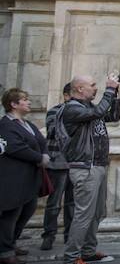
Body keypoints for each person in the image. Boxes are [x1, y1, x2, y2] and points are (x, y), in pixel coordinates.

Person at [60, 74, 120, 264]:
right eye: (92, 85)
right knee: (83, 214)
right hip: (85, 167)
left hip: (98, 165)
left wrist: (116, 93)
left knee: (97, 213)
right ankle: (71, 259)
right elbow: (100, 111)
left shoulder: (89, 109)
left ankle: (88, 250)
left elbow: (112, 116)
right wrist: (109, 89)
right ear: (79, 89)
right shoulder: (72, 109)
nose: (96, 88)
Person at [0, 88, 48, 264]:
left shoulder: (26, 124)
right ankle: (5, 251)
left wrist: (44, 154)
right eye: (24, 99)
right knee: (11, 213)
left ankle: (11, 243)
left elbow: (41, 142)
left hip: (30, 176)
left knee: (28, 209)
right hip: (13, 176)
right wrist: (39, 158)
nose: (28, 102)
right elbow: (14, 147)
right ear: (13, 104)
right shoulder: (6, 125)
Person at [40, 82, 74, 250]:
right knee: (54, 203)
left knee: (72, 203)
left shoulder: (82, 112)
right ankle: (48, 235)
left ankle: (70, 236)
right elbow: (54, 132)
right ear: (66, 96)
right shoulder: (55, 111)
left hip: (76, 164)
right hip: (57, 162)